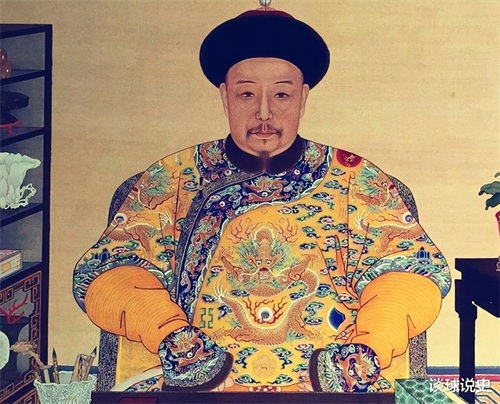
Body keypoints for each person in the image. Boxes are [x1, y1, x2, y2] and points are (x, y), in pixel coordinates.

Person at [73, 4, 451, 394]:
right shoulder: (174, 179)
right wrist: (171, 335)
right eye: (247, 94)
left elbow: (410, 275)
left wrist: (367, 349)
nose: (264, 113)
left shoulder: (355, 178)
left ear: (303, 98)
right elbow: (110, 273)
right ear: (225, 97)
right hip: (197, 386)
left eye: (282, 94)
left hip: (332, 388)